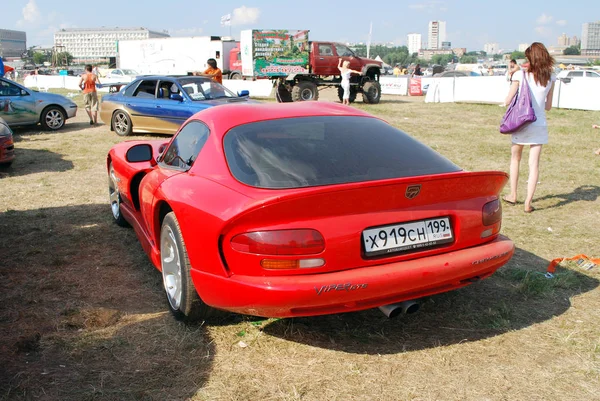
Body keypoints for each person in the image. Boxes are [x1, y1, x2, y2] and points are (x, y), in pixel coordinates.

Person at [502, 42, 556, 213]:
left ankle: (513, 194)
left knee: (515, 159)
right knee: (534, 165)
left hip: (521, 123)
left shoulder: (520, 75)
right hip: (539, 124)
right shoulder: (550, 78)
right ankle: (528, 203)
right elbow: (548, 106)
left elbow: (509, 99)